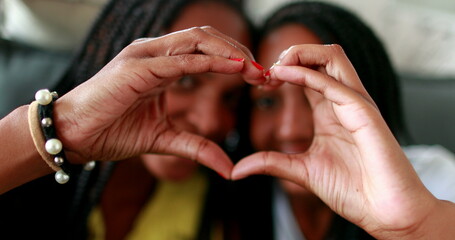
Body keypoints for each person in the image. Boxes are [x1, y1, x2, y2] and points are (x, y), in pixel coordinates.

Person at [0, 0, 270, 239]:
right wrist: (61, 130)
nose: (210, 121)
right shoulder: (25, 166)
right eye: (186, 80)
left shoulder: (223, 207)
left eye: (230, 97)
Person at [232, 2, 455, 240]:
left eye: (319, 95)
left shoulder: (434, 180)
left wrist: (416, 225)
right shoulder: (234, 199)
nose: (291, 130)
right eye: (267, 102)